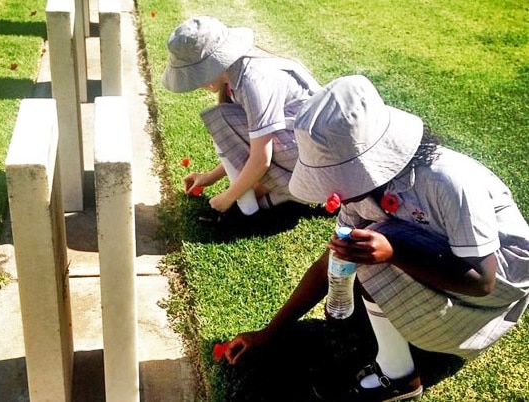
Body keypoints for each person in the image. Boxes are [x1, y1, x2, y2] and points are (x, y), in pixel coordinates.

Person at [224, 75, 529, 401]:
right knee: (363, 243)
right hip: (448, 263)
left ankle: (399, 376)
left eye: (341, 175)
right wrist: (269, 333)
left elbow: (483, 280)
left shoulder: (448, 181)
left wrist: (393, 252)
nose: (336, 189)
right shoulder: (362, 193)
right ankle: (390, 329)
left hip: (497, 286)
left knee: (374, 241)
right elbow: (331, 261)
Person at [162, 16, 321, 218]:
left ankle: (286, 192)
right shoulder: (237, 73)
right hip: (303, 152)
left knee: (222, 120)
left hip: (310, 160)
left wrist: (227, 198)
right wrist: (210, 177)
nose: (196, 83)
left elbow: (261, 158)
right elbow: (249, 145)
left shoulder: (253, 81)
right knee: (224, 120)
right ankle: (280, 193)